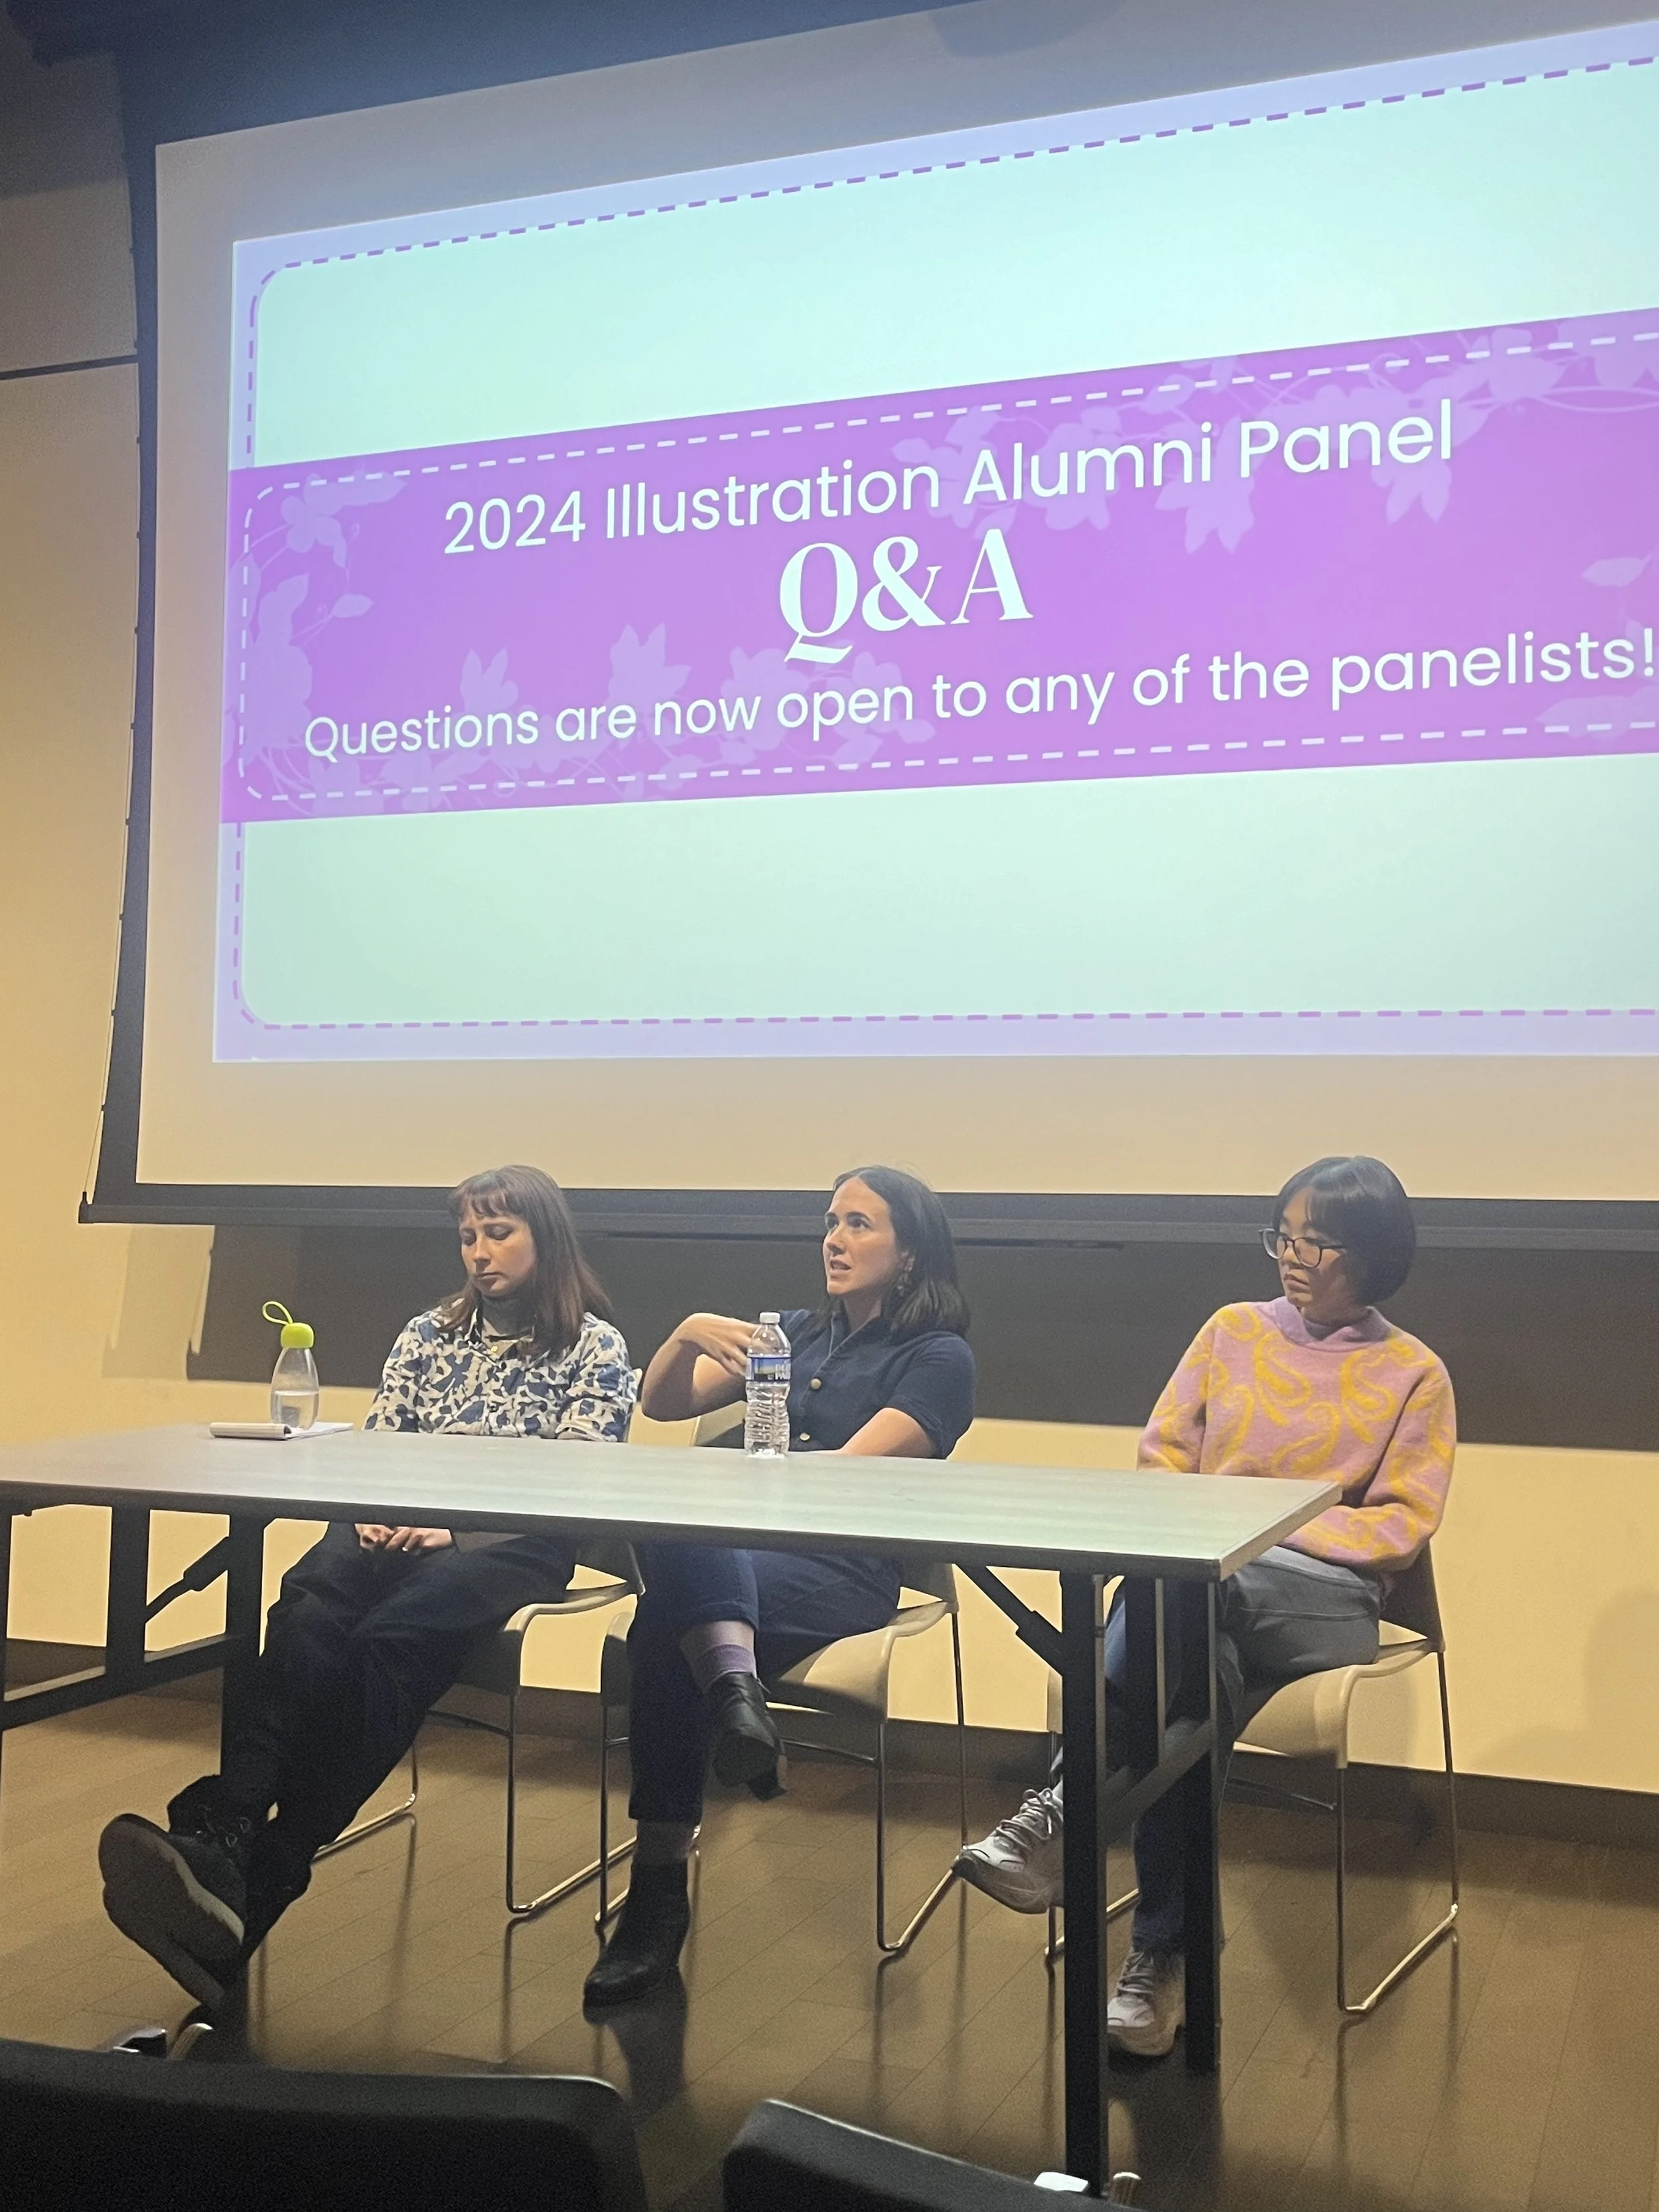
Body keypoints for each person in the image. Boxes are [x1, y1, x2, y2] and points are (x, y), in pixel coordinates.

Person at [954, 1154, 1455, 2059]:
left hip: (1328, 1601)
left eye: (1318, 1241)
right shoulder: (1230, 1331)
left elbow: (1400, 1527)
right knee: (1196, 1691)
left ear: (1375, 1255)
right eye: (1284, 1236)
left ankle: (1062, 1811)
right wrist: (1208, 1546)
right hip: (1201, 1592)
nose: (1293, 1257)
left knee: (1183, 1598)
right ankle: (1164, 1953)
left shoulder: (1413, 1370)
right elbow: (1164, 1461)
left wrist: (1260, 1537)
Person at [98, 1165, 635, 2006]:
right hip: (391, 1524)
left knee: (392, 1639)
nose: (480, 1253)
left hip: (509, 1539)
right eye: (468, 1236)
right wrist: (374, 1511)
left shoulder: (593, 1345)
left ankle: (266, 1863)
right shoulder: (429, 1332)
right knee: (309, 1607)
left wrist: (453, 1529)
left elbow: (575, 1486)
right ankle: (236, 1834)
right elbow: (381, 1442)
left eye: (499, 1234)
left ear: (546, 1240)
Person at [583, 1164, 975, 2009]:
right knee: (675, 1534)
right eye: (830, 1222)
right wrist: (687, 1332)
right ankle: (736, 1696)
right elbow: (659, 1408)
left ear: (910, 1255)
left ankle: (657, 1892)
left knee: (664, 1620)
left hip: (842, 1570)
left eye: (860, 1225)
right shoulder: (791, 1331)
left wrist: (736, 1486)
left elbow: (843, 1478)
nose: (834, 1240)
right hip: (742, 1559)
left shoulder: (938, 1357)